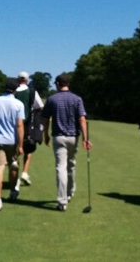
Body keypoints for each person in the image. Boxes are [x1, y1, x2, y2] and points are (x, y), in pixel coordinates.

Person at [41, 74, 92, 211]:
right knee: (71, 165)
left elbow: (45, 119)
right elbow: (82, 119)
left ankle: (62, 200)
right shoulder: (77, 99)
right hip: (73, 137)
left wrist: (45, 134)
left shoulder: (52, 99)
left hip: (58, 137)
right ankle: (69, 193)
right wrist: (86, 139)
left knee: (60, 167)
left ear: (58, 83)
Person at [0, 78, 25, 211]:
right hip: (12, 141)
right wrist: (20, 145)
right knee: (13, 166)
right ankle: (13, 192)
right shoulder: (18, 104)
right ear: (15, 90)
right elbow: (19, 125)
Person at [14, 71, 44, 186]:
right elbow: (40, 106)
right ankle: (25, 173)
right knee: (29, 148)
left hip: (15, 124)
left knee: (16, 150)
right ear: (26, 80)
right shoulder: (32, 91)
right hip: (27, 124)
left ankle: (15, 177)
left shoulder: (14, 90)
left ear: (18, 79)